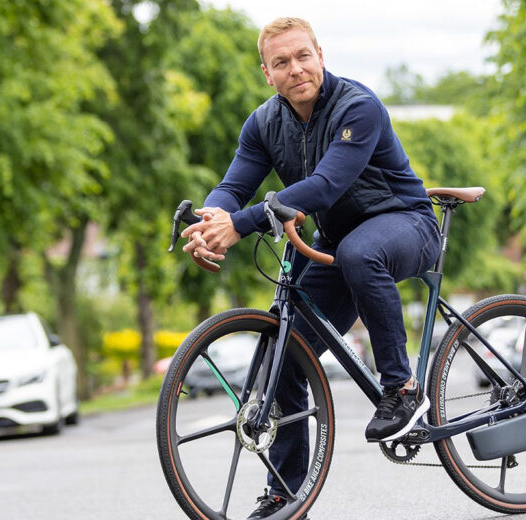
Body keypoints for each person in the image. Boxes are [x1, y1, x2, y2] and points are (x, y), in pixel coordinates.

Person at [180, 17, 441, 519]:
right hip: (338, 244)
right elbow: (234, 187)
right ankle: (284, 493)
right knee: (285, 353)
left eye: (303, 56)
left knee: (360, 253)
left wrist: (240, 225)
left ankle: (402, 390)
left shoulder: (357, 107)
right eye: (282, 62)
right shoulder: (263, 124)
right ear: (267, 73)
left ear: (320, 54)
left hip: (406, 223)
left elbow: (323, 187)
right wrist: (213, 217)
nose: (296, 69)